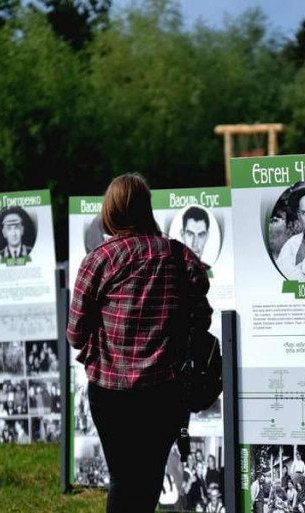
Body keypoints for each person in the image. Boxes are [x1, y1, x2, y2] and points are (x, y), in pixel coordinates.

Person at [67, 173, 212, 513]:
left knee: (122, 478)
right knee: (148, 478)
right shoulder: (180, 256)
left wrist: (102, 347)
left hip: (110, 389)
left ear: (111, 211)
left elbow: (75, 333)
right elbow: (202, 317)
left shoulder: (98, 260)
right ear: (146, 209)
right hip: (165, 390)